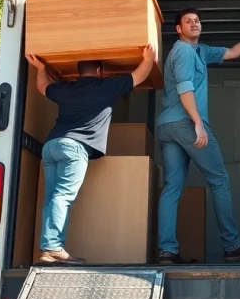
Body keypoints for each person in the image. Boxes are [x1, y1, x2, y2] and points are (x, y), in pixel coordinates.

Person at [29, 45, 156, 264]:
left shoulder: (66, 88)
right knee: (63, 196)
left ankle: (48, 248)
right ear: (99, 72)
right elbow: (139, 76)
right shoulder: (106, 86)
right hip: (74, 148)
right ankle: (52, 247)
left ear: (79, 73)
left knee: (52, 197)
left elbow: (42, 86)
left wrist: (40, 67)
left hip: (51, 146)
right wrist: (148, 58)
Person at [155, 8, 240, 264]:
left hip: (167, 128)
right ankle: (232, 244)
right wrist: (198, 124)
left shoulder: (201, 51)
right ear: (178, 29)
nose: (194, 24)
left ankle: (167, 250)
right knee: (219, 180)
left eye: (197, 21)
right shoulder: (182, 51)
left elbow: (234, 52)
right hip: (185, 124)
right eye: (187, 21)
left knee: (172, 187)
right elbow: (185, 88)